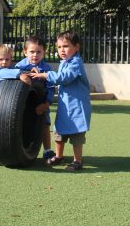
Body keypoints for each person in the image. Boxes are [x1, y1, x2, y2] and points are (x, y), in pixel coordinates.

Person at [31, 31, 91, 171]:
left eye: (66, 46)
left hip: (77, 106)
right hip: (66, 106)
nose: (62, 50)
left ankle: (77, 161)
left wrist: (44, 75)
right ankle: (59, 156)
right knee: (59, 132)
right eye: (59, 47)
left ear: (77, 47)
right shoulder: (65, 62)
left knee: (76, 134)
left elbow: (64, 78)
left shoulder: (75, 62)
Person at [15, 36, 56, 162]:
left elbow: (50, 87)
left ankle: (47, 150)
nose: (35, 55)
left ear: (44, 52)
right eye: (32, 52)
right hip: (23, 102)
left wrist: (47, 103)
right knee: (20, 123)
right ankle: (19, 148)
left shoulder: (47, 69)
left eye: (39, 52)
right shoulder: (19, 66)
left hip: (41, 101)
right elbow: (12, 83)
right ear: (25, 52)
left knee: (45, 123)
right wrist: (24, 72)